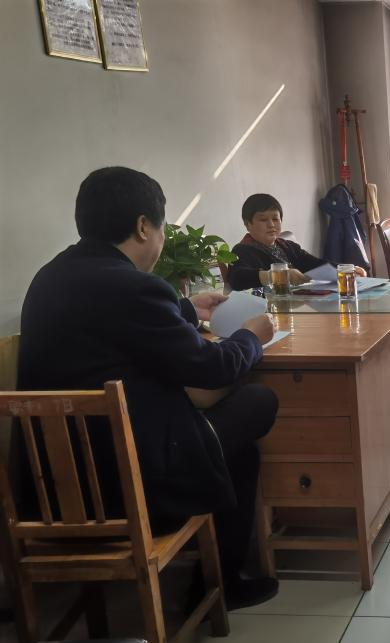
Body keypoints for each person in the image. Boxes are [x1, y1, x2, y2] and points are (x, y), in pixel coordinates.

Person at [18, 167, 280, 609]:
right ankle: (219, 584)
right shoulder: (134, 287)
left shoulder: (52, 275)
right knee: (258, 400)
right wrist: (251, 336)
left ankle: (221, 577)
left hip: (51, 491)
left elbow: (117, 323)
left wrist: (186, 307)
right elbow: (211, 369)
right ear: (144, 226)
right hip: (127, 485)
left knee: (238, 451)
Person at [227, 193, 364, 291]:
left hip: (299, 303)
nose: (271, 225)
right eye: (263, 220)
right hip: (268, 312)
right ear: (247, 224)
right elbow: (237, 278)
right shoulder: (241, 250)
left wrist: (345, 268)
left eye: (275, 219)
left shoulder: (287, 246)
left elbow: (314, 263)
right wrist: (279, 276)